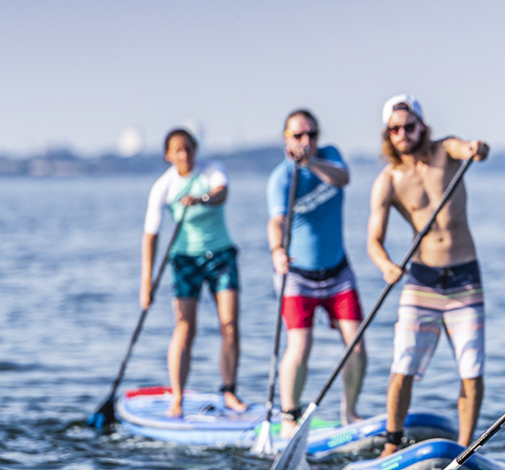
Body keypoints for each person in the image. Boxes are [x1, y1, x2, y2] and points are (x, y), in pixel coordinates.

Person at [367, 94, 490, 456]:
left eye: (409, 126)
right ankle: (392, 442)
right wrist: (386, 265)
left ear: (422, 126)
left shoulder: (444, 151)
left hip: (465, 278)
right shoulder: (388, 181)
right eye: (395, 129)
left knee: (471, 365)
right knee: (402, 364)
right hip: (421, 280)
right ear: (387, 135)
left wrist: (477, 149)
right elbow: (373, 241)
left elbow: (469, 149)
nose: (402, 133)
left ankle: (466, 447)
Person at [266, 109, 366, 431]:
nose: (306, 141)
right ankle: (289, 416)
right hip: (299, 277)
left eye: (312, 134)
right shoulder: (281, 178)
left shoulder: (330, 156)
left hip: (338, 272)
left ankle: (349, 412)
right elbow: (277, 220)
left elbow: (343, 178)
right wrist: (277, 250)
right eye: (298, 136)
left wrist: (311, 163)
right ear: (286, 139)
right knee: (300, 345)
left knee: (357, 345)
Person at [141, 127, 247, 418]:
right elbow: (151, 235)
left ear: (195, 149)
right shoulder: (163, 186)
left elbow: (221, 194)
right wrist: (146, 282)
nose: (184, 154)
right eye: (178, 150)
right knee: (185, 328)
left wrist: (200, 199)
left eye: (188, 148)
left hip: (221, 256)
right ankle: (176, 398)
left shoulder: (212, 171)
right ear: (168, 155)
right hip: (184, 260)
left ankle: (229, 391)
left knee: (229, 325)